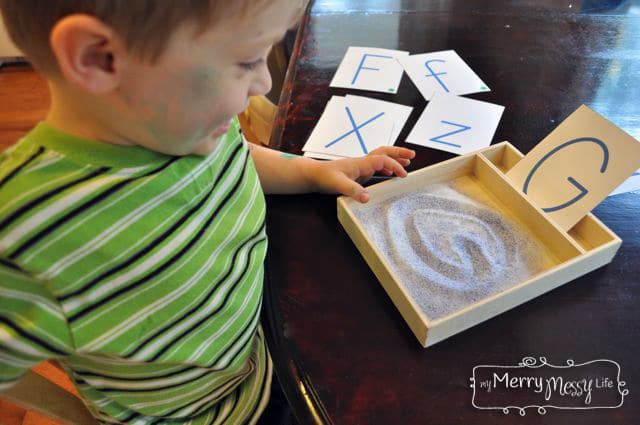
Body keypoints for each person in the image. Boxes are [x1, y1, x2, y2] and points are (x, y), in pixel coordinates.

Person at [0, 1, 415, 423]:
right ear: (98, 56)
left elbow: (237, 153)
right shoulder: (26, 239)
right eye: (248, 60)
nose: (264, 82)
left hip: (269, 328)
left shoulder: (187, 124)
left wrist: (313, 172)